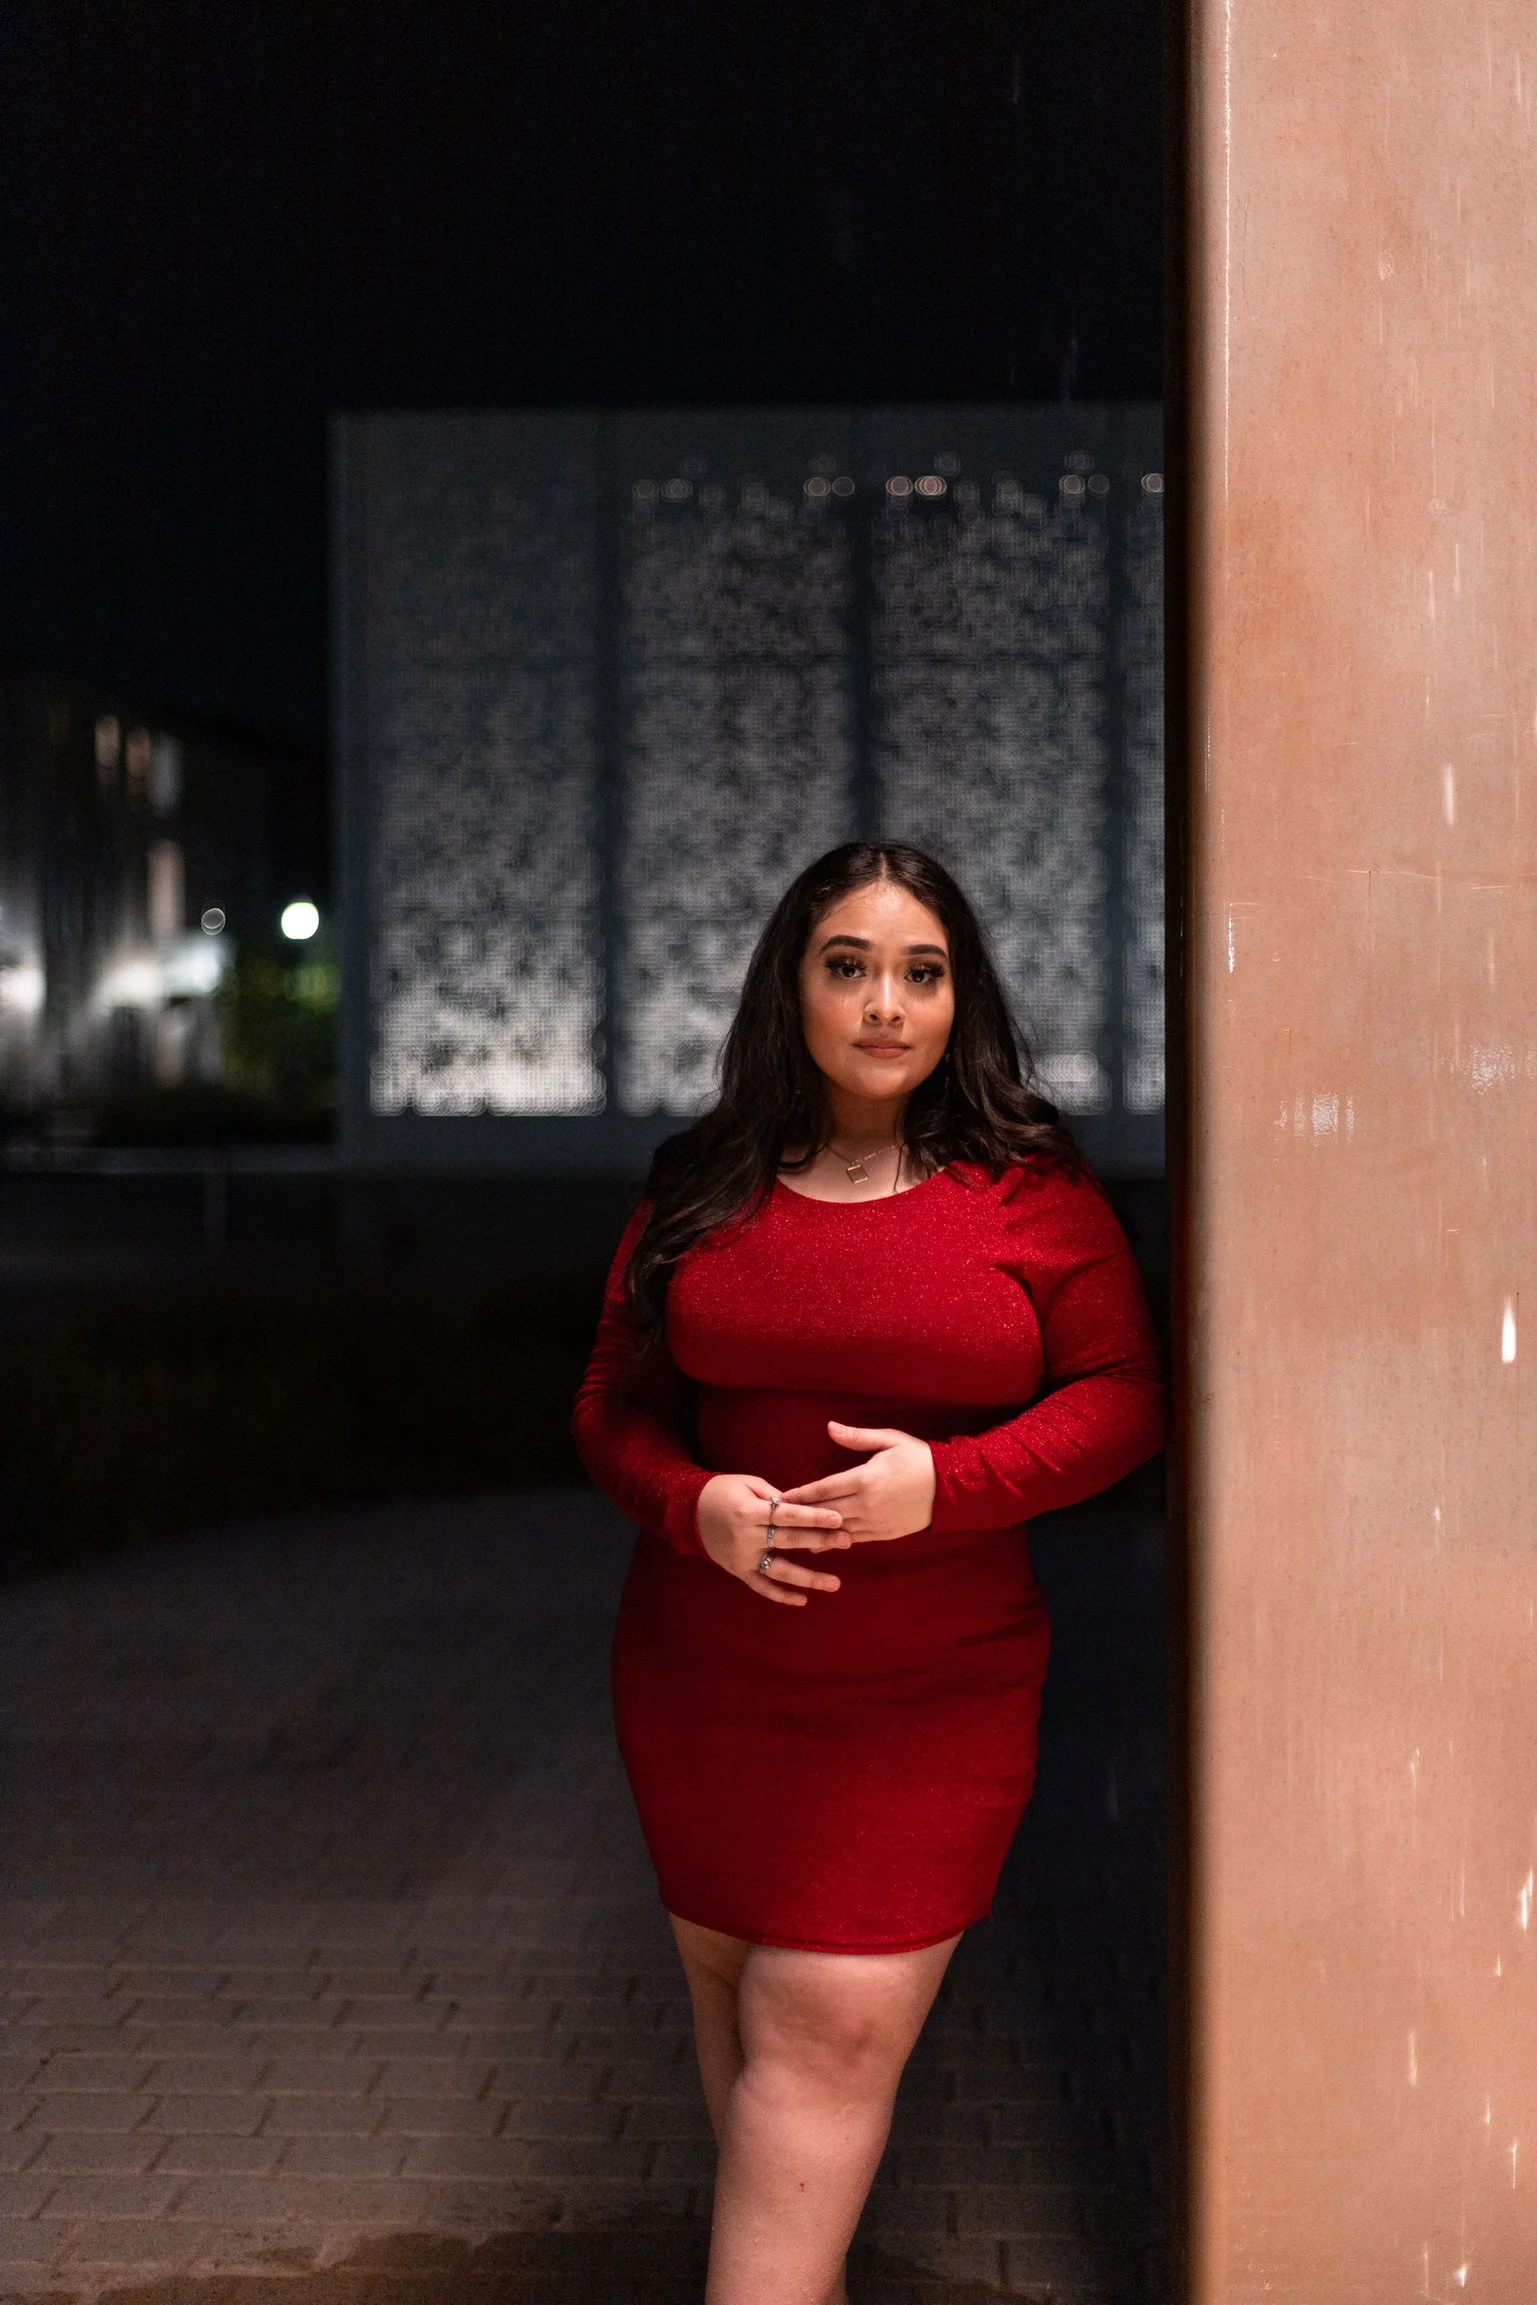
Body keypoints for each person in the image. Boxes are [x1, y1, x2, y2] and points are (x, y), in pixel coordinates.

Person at [573, 841, 1164, 2305]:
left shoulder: (1027, 1188)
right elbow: (611, 1403)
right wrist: (690, 1503)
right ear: (794, 987)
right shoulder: (704, 1181)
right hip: (704, 1683)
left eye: (923, 971)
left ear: (962, 997)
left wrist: (941, 1489)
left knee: (821, 2035)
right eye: (850, 966)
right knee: (756, 2057)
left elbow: (1125, 1396)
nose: (886, 1003)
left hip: (929, 1695)